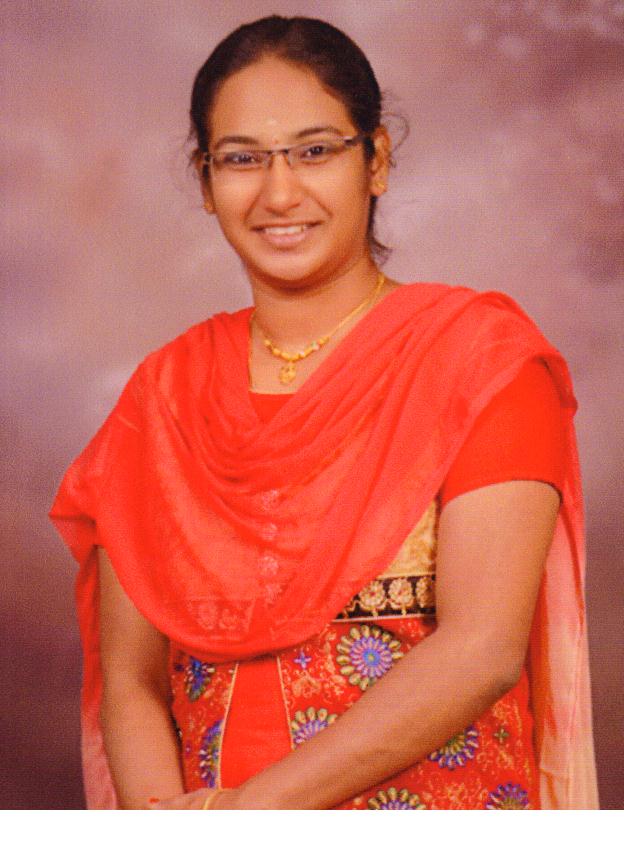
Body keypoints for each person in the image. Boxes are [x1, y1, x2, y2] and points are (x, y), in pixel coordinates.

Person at [50, 15, 598, 810]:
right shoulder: (163, 398)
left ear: (376, 160)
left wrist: (248, 813)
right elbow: (133, 681)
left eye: (314, 151)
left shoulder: (479, 363)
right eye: (242, 159)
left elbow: (482, 649)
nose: (279, 193)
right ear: (205, 182)